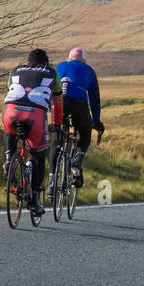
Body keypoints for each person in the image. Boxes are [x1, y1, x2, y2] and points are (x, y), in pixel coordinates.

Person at [2, 48, 64, 216]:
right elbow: (58, 102)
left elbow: (11, 90)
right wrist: (57, 124)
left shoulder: (15, 70)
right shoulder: (52, 73)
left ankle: (8, 158)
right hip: (35, 115)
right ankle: (35, 199)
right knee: (38, 157)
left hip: (11, 112)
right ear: (46, 62)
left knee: (10, 130)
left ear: (28, 61)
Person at [55, 46, 104, 188]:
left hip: (59, 104)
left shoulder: (60, 66)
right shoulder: (88, 70)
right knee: (85, 132)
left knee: (56, 136)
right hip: (79, 106)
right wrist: (96, 120)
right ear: (84, 60)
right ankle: (78, 158)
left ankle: (53, 175)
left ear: (69, 58)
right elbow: (94, 99)